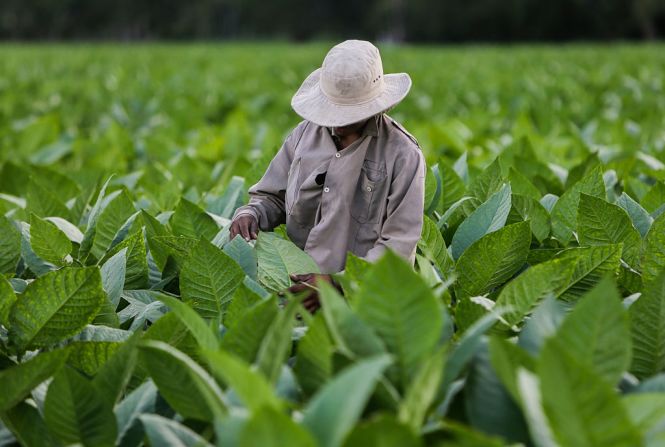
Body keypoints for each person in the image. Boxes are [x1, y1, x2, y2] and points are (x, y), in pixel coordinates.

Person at [230, 39, 425, 312]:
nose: (338, 122)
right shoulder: (303, 135)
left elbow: (399, 244)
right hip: (298, 288)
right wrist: (250, 215)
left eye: (351, 114)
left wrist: (338, 284)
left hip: (367, 300)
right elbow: (271, 197)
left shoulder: (403, 154)